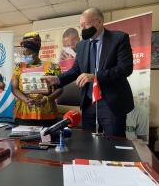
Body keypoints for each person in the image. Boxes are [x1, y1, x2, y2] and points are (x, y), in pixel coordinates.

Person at [42, 8, 134, 136]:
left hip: (111, 102)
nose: (83, 29)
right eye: (81, 26)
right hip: (89, 103)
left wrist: (95, 77)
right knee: (89, 143)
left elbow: (125, 68)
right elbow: (76, 70)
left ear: (99, 22)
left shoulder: (119, 38)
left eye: (86, 25)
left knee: (114, 144)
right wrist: (57, 79)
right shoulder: (82, 45)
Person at [12, 32, 63, 127]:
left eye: (28, 54)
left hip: (46, 112)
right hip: (24, 113)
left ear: (36, 53)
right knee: (22, 140)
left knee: (47, 140)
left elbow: (59, 89)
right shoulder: (19, 67)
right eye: (23, 54)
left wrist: (47, 99)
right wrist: (26, 99)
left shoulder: (52, 67)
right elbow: (14, 88)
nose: (25, 57)